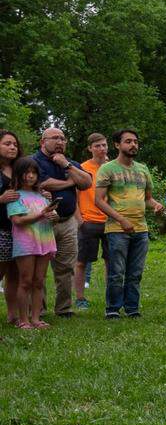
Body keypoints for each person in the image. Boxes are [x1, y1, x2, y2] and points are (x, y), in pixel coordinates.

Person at [94, 129, 165, 320]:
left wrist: (156, 205)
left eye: (135, 141)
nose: (133, 145)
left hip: (141, 229)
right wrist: (121, 219)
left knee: (135, 273)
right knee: (116, 272)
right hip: (117, 229)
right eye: (128, 141)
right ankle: (113, 309)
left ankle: (132, 308)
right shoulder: (107, 169)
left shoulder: (142, 169)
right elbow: (99, 200)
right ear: (117, 145)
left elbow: (148, 198)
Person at [32, 127, 91, 318]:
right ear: (43, 141)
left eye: (63, 138)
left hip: (67, 222)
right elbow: (42, 183)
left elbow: (86, 183)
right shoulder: (33, 162)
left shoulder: (69, 163)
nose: (60, 142)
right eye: (55, 138)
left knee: (65, 267)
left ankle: (64, 308)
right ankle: (38, 310)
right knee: (37, 270)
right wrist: (70, 182)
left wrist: (67, 166)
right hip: (41, 222)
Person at [7, 156, 59, 329]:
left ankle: (36, 318)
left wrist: (53, 216)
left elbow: (49, 218)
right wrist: (42, 214)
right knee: (26, 281)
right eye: (27, 172)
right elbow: (18, 221)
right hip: (26, 243)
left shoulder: (42, 196)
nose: (30, 176)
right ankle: (23, 320)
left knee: (39, 281)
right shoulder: (14, 196)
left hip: (45, 241)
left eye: (34, 173)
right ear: (19, 174)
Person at [74, 133, 109, 310]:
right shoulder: (82, 168)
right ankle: (80, 298)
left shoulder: (113, 167)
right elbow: (75, 196)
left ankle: (111, 295)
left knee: (111, 261)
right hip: (89, 221)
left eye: (104, 145)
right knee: (81, 261)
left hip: (111, 221)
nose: (101, 149)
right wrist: (80, 220)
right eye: (97, 146)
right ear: (90, 148)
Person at [0, 131, 24, 324]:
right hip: (1, 229)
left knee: (15, 274)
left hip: (20, 229)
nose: (12, 147)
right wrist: (1, 199)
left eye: (14, 144)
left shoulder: (20, 170)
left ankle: (13, 315)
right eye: (7, 143)